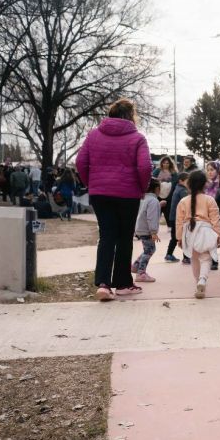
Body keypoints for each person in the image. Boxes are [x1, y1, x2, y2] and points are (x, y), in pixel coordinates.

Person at [76, 97, 152, 301]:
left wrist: (91, 184)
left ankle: (103, 284)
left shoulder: (93, 135)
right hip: (128, 194)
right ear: (130, 115)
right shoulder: (137, 138)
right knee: (125, 237)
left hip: (100, 194)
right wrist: (142, 188)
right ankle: (123, 283)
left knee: (107, 236)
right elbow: (145, 167)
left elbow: (80, 162)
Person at [176, 169, 220, 299]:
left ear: (189, 184)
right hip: (205, 230)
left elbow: (179, 222)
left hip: (188, 231)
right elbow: (215, 219)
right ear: (205, 184)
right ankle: (202, 280)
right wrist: (219, 235)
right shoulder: (210, 200)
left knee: (194, 259)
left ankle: (198, 283)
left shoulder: (183, 201)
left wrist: (179, 238)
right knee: (206, 258)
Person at [132, 178, 162, 283]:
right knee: (149, 250)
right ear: (157, 188)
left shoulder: (143, 199)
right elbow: (151, 217)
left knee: (148, 249)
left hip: (140, 228)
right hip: (147, 230)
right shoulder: (153, 201)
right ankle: (141, 273)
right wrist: (153, 232)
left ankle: (136, 266)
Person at [167, 171, 190, 264]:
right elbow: (187, 202)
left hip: (174, 218)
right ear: (181, 181)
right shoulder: (183, 190)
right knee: (184, 237)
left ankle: (169, 254)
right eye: (188, 181)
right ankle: (186, 257)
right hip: (179, 219)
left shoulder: (177, 188)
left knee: (175, 237)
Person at [153, 155, 178, 228]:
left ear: (170, 164)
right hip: (158, 196)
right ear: (161, 163)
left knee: (168, 213)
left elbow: (175, 183)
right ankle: (153, 227)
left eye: (167, 163)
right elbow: (152, 179)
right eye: (164, 163)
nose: (165, 164)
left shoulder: (173, 172)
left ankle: (170, 227)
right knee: (156, 213)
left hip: (169, 197)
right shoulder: (157, 170)